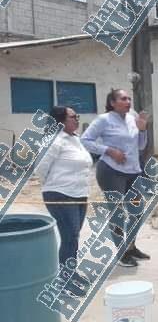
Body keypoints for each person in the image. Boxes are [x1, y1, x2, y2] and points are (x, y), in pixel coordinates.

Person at [81, 89, 149, 267]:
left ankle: (131, 246)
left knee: (137, 211)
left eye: (129, 98)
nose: (128, 101)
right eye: (123, 98)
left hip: (133, 171)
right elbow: (85, 140)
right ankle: (121, 253)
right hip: (110, 171)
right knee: (117, 213)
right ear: (112, 102)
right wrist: (109, 150)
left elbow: (141, 146)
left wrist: (142, 130)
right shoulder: (104, 120)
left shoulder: (132, 117)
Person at [35, 106, 93, 265]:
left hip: (79, 194)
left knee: (73, 236)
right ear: (60, 121)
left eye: (77, 116)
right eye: (73, 117)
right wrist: (55, 183)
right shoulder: (54, 140)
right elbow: (40, 168)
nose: (77, 120)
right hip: (60, 195)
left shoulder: (75, 138)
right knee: (70, 236)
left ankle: (69, 272)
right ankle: (66, 278)